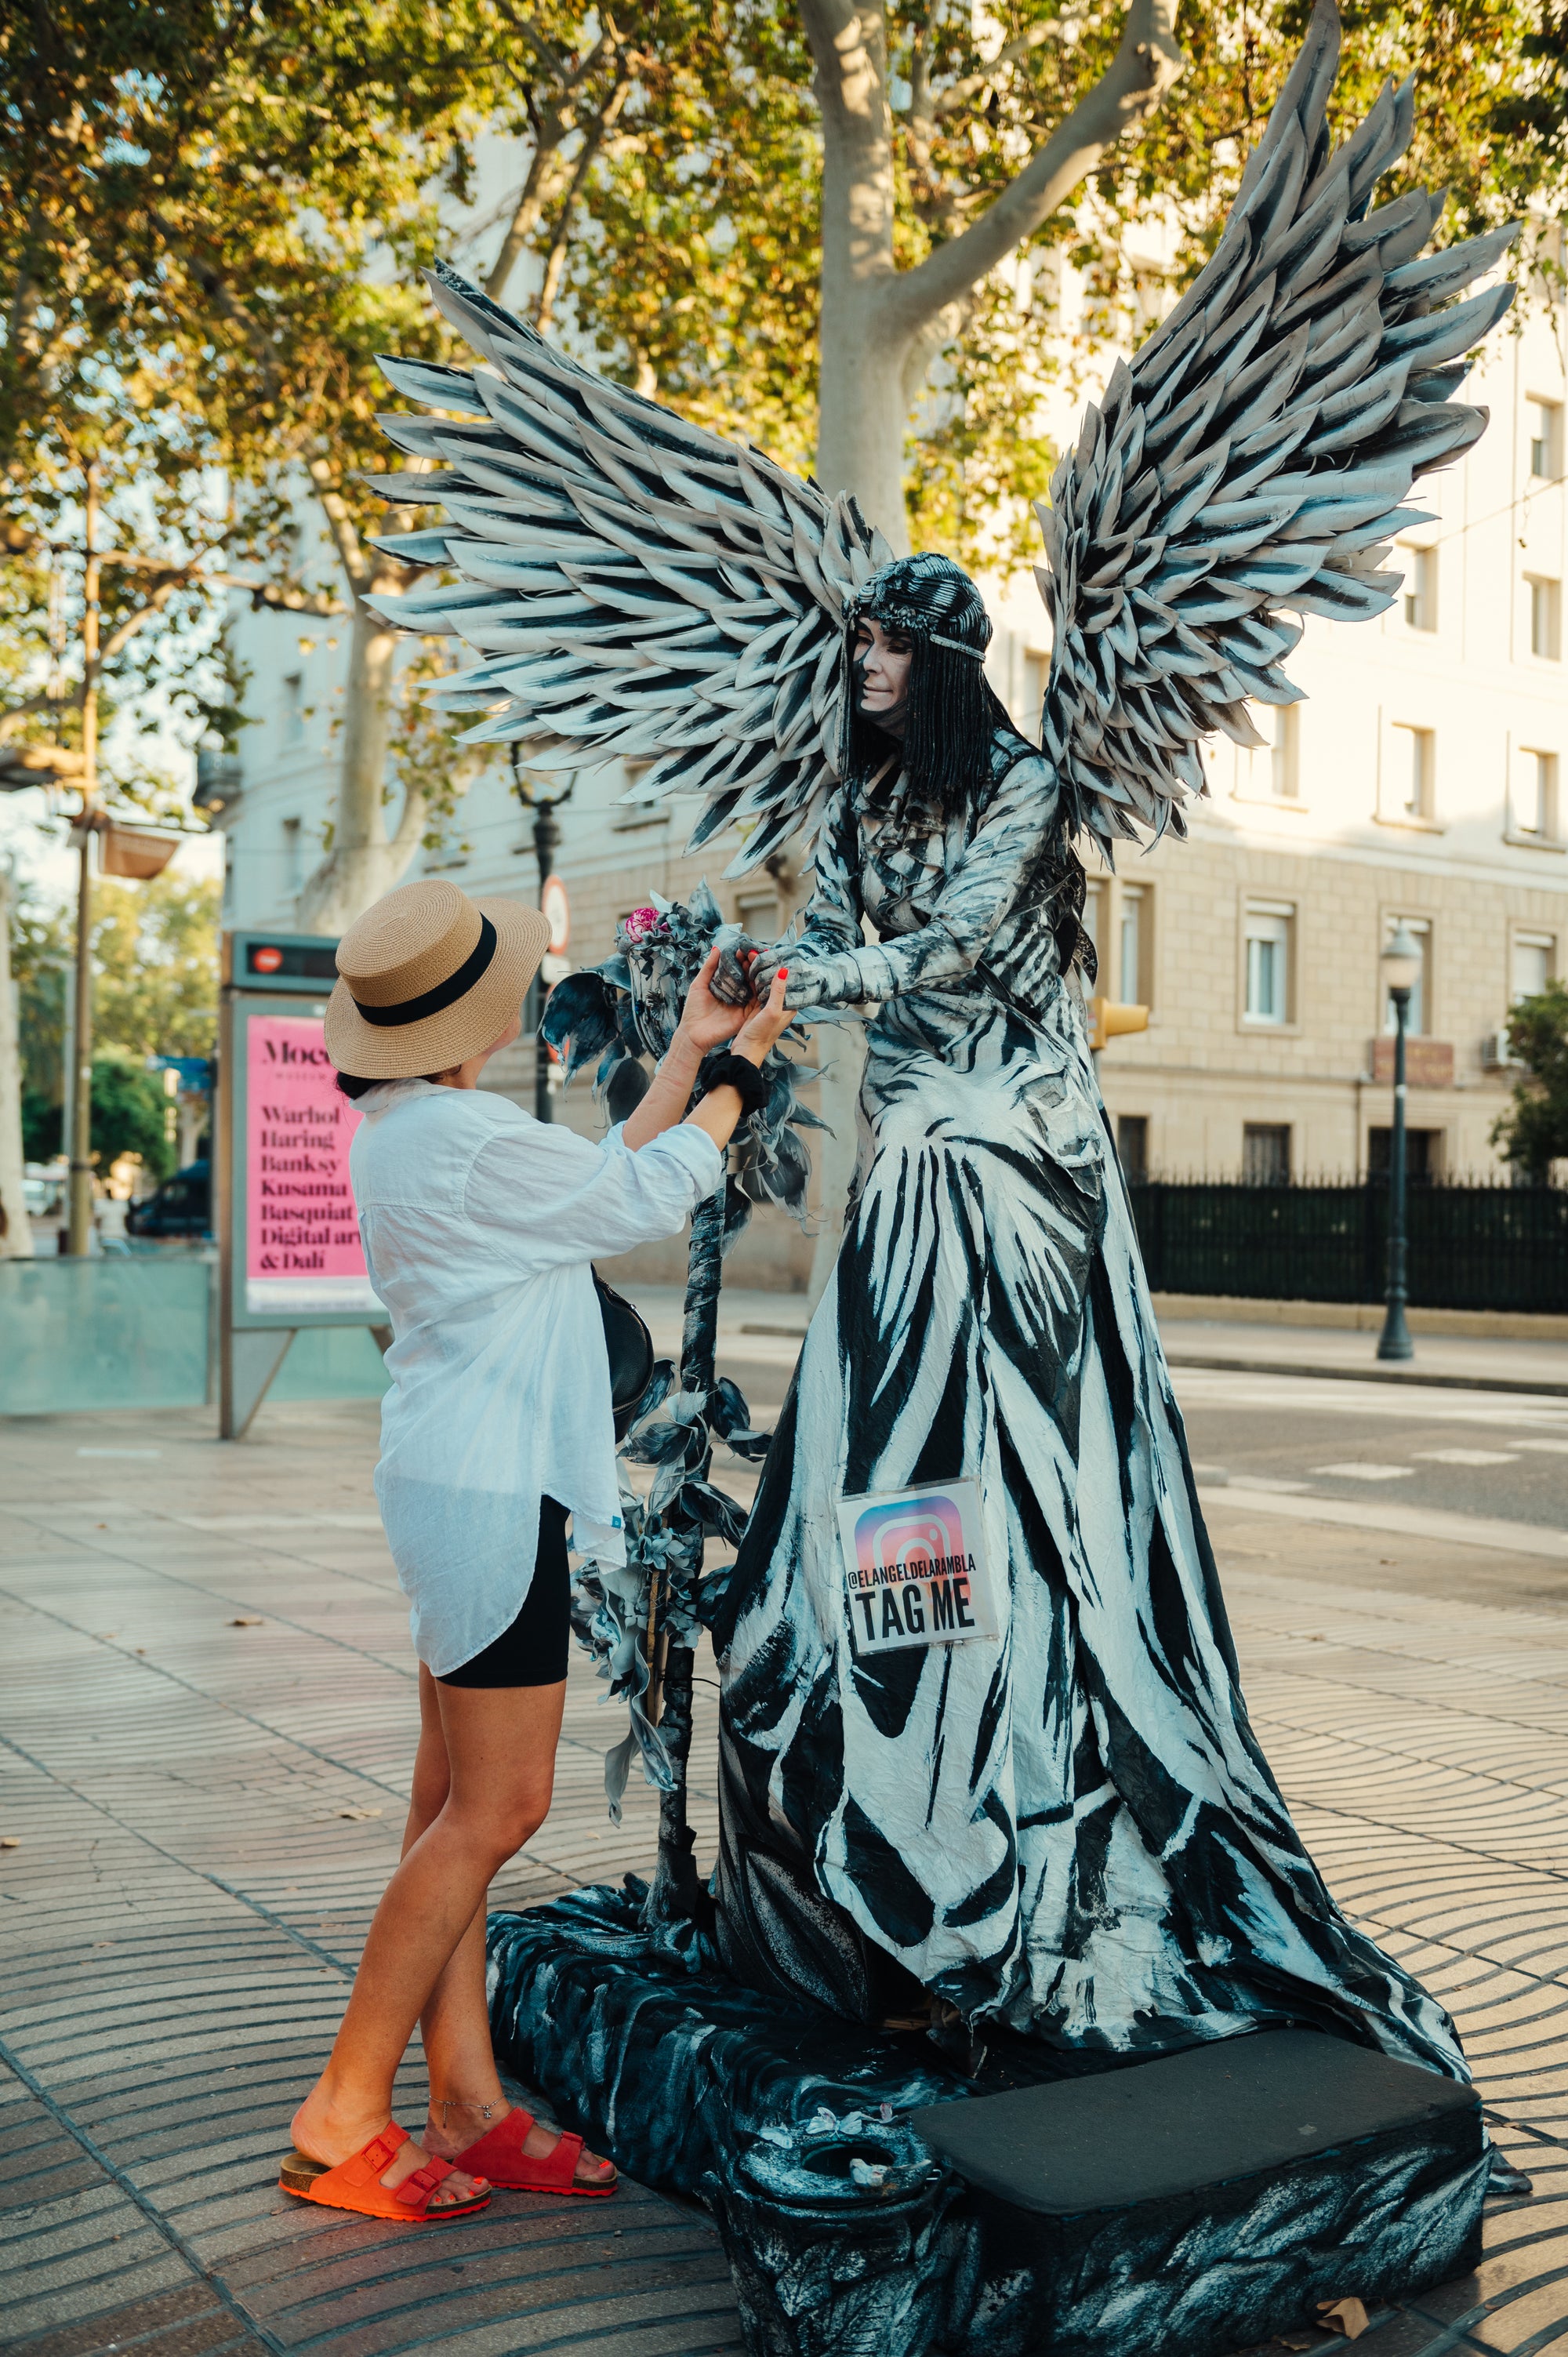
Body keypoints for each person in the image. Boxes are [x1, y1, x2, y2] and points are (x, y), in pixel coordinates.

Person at [709, 553, 1468, 2083]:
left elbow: (959, 948)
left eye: (881, 641)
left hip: (1024, 1182)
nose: (856, 661)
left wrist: (814, 971)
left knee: (1045, 1529)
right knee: (893, 1505)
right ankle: (909, 1863)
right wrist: (780, 999)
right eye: (852, 637)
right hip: (910, 1176)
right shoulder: (849, 801)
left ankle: (1037, 1858)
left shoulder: (1022, 781)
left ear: (938, 659)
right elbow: (862, 957)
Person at [281, 877, 787, 2224]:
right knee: (499, 1813)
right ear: (473, 1016)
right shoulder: (459, 1132)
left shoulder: (415, 1129)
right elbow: (646, 1197)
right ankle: (342, 2110)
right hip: (491, 1493)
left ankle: (466, 2100)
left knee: (449, 1803)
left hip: (463, 1481)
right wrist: (738, 1077)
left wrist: (687, 1048)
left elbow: (594, 1181)